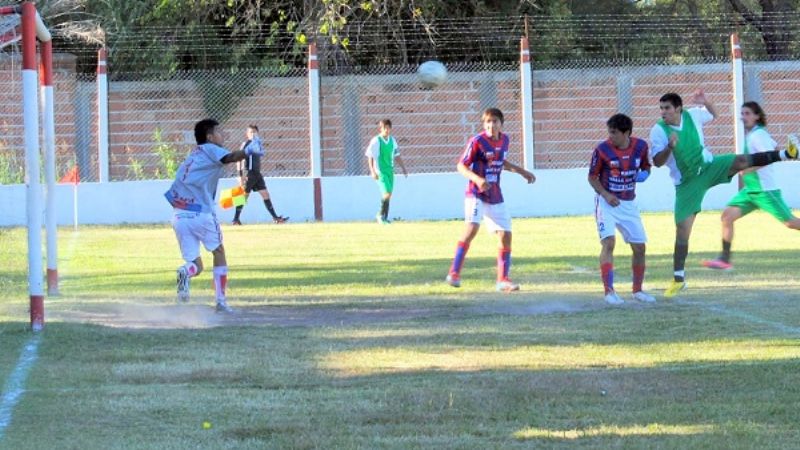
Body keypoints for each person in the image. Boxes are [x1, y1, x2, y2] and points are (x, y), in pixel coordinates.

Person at [649, 90, 797, 297]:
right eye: (661, 108)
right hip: (688, 183)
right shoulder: (658, 130)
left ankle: (786, 154)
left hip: (709, 166)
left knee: (741, 160)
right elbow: (657, 162)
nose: (663, 112)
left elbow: (713, 114)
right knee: (683, 229)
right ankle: (678, 279)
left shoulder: (692, 115)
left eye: (667, 108)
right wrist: (669, 147)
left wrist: (707, 101)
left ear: (678, 109)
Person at [164, 118, 262, 312]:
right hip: (201, 214)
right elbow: (230, 157)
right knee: (218, 252)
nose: (222, 135)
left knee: (196, 265)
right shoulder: (211, 149)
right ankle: (221, 302)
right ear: (210, 136)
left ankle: (185, 272)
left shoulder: (193, 156)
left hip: (179, 215)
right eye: (219, 132)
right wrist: (248, 151)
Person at [445, 107, 536, 292]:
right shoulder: (477, 141)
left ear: (501, 124)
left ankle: (503, 280)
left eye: (495, 121)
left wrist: (521, 171)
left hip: (494, 193)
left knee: (506, 235)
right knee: (472, 228)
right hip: (476, 192)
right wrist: (478, 180)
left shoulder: (504, 140)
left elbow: (500, 161)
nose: (491, 125)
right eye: (488, 122)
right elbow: (461, 166)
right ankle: (454, 273)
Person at [702, 101, 800, 270]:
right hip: (751, 191)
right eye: (742, 113)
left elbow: (769, 158)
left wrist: (747, 169)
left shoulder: (758, 135)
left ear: (757, 116)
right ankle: (724, 259)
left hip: (764, 190)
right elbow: (774, 147)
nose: (743, 117)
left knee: (790, 223)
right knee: (727, 216)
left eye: (747, 113)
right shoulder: (755, 134)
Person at [589, 113, 656, 305]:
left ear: (626, 133)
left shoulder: (641, 146)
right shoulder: (602, 150)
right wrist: (606, 195)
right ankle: (609, 292)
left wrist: (644, 174)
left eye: (614, 133)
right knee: (609, 243)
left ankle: (638, 291)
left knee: (640, 248)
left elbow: (646, 167)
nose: (610, 137)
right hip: (607, 203)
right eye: (609, 132)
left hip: (628, 204)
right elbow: (592, 177)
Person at [231, 125, 288, 225]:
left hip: (257, 174)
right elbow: (238, 159)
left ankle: (276, 218)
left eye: (255, 132)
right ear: (247, 134)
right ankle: (235, 219)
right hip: (248, 173)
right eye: (250, 132)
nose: (253, 134)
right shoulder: (246, 144)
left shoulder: (258, 145)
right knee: (243, 196)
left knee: (265, 194)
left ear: (258, 133)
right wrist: (240, 175)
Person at [365, 119, 407, 224]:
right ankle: (380, 215)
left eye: (389, 128)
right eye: (385, 128)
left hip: (390, 171)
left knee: (389, 194)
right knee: (387, 192)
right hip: (380, 171)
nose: (387, 130)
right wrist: (372, 171)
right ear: (381, 129)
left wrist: (403, 168)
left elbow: (397, 155)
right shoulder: (376, 141)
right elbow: (370, 156)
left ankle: (385, 218)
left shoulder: (392, 140)